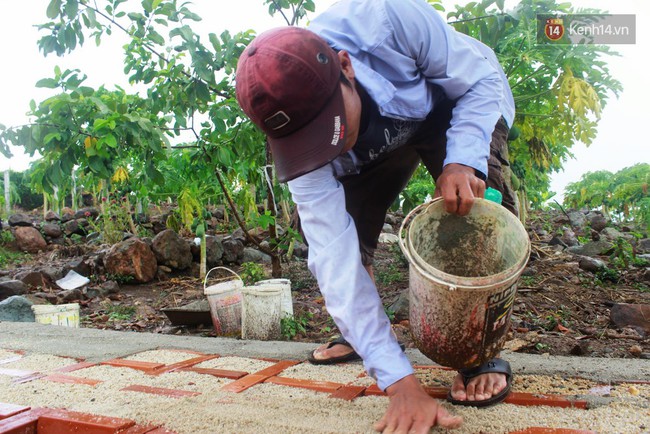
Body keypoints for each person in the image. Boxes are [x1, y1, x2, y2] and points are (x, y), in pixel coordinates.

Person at [235, 0, 517, 431]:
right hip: (377, 143)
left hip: (453, 102)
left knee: (479, 217)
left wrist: (462, 162)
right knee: (348, 238)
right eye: (306, 145)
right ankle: (365, 339)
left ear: (345, 67)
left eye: (328, 131)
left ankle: (477, 353)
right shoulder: (306, 153)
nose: (325, 151)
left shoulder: (388, 20)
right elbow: (335, 258)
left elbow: (479, 82)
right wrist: (399, 384)